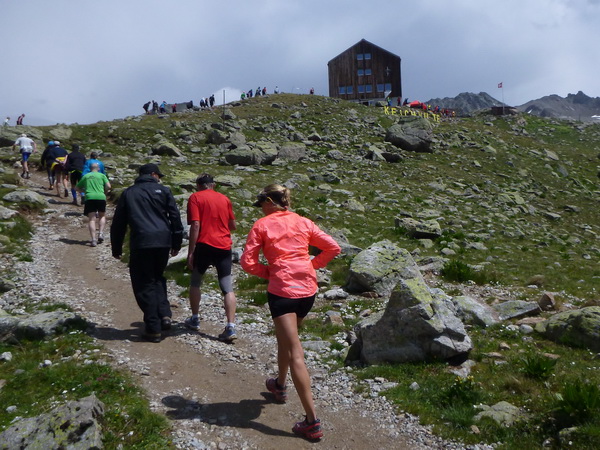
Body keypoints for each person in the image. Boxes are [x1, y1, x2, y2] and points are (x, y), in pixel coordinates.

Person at [240, 184, 340, 440]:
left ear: (269, 201)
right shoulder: (303, 222)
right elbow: (333, 247)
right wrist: (312, 266)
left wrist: (269, 272)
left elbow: (247, 263)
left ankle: (312, 422)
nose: (261, 208)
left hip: (282, 291)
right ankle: (280, 385)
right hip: (307, 291)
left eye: (261, 204)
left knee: (295, 352)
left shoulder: (262, 225)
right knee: (286, 338)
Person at [110, 163, 183, 343]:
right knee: (157, 277)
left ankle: (153, 328)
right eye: (159, 175)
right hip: (163, 241)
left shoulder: (129, 193)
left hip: (142, 242)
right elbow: (175, 217)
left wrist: (116, 247)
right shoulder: (164, 191)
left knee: (144, 283)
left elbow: (119, 223)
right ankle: (164, 314)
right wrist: (176, 242)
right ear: (153, 174)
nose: (159, 179)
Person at [184, 173, 238, 341]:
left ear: (198, 185)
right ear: (213, 185)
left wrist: (191, 252)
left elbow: (195, 224)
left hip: (205, 244)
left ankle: (195, 318)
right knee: (226, 286)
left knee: (196, 281)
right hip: (224, 245)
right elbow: (233, 225)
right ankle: (231, 326)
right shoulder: (225, 199)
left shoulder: (195, 197)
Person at [77, 163, 111, 246]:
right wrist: (105, 191)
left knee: (92, 219)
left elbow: (77, 188)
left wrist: (85, 191)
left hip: (90, 197)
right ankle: (101, 233)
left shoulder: (86, 176)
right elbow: (109, 186)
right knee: (102, 216)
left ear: (90, 168)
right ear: (98, 168)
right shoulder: (102, 175)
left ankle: (93, 240)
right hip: (101, 197)